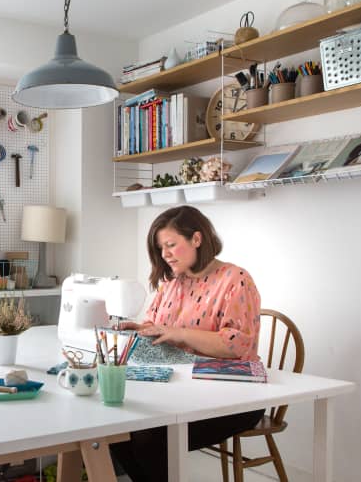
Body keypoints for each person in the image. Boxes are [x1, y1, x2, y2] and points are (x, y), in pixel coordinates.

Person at [110, 205, 264, 482]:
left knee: (149, 437)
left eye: (171, 245)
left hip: (235, 396)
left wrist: (179, 333)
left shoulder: (235, 280)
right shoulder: (172, 282)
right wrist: (142, 330)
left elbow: (236, 345)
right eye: (160, 248)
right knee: (114, 430)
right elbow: (161, 328)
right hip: (184, 390)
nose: (164, 254)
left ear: (196, 238)